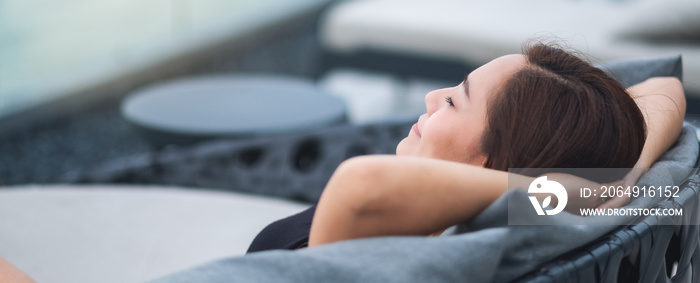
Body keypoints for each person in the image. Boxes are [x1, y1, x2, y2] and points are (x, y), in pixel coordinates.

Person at [248, 43, 686, 252]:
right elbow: (664, 87)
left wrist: (570, 190)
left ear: (491, 163)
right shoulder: (505, 226)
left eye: (455, 100)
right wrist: (615, 179)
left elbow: (359, 183)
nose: (430, 97)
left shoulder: (369, 242)